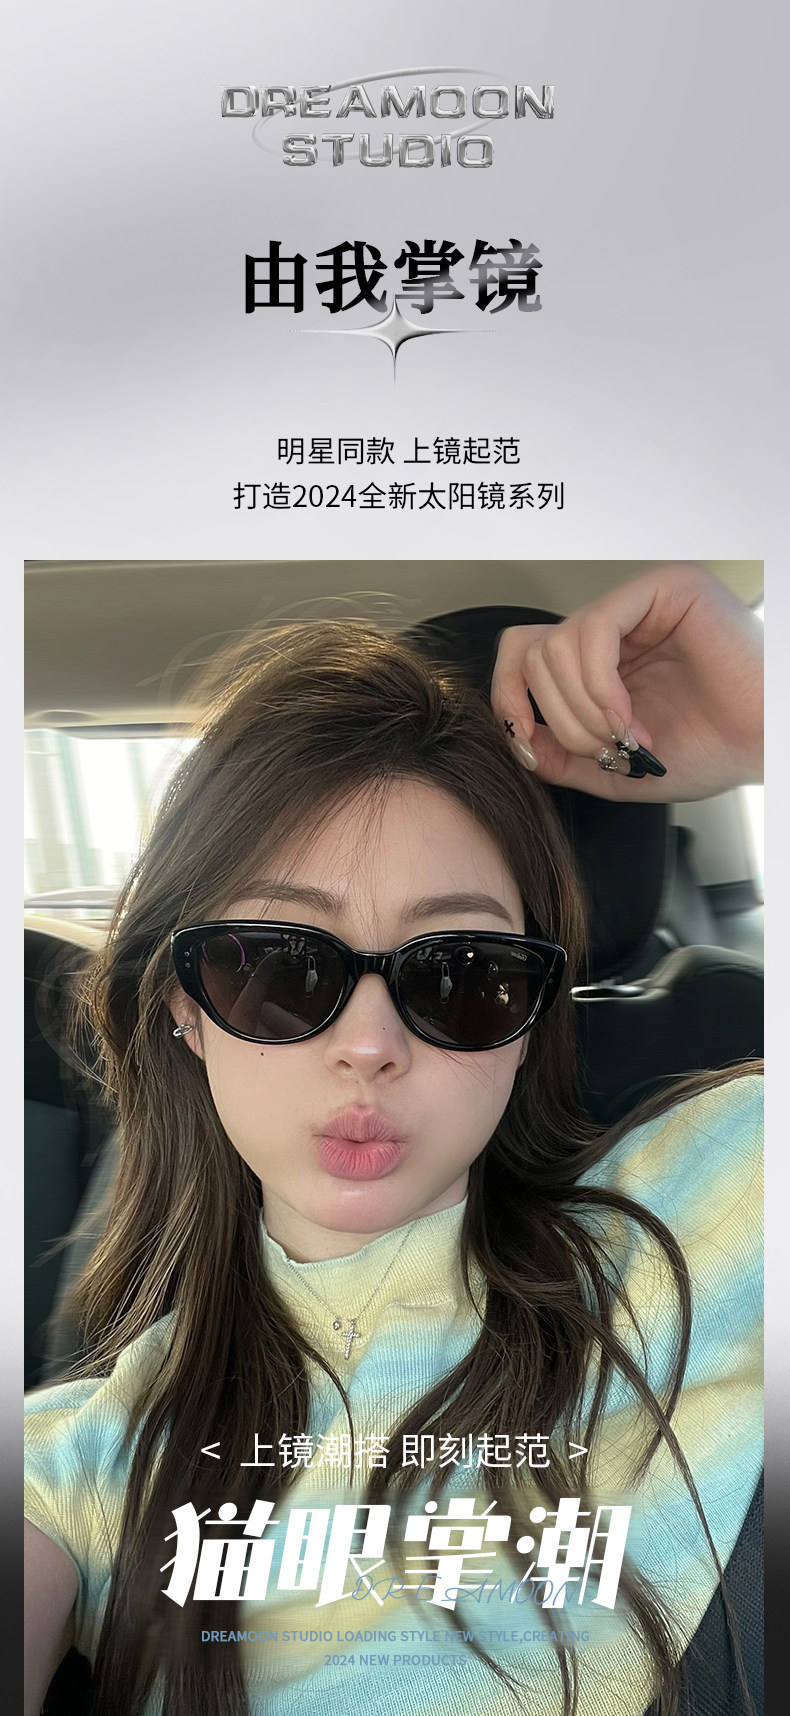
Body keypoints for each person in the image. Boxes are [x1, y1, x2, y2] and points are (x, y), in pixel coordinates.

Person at [24, 564, 763, 1716]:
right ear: (183, 1004)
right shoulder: (78, 1459)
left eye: (461, 974)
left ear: (529, 1017)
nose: (369, 1046)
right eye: (278, 967)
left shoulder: (720, 1199)